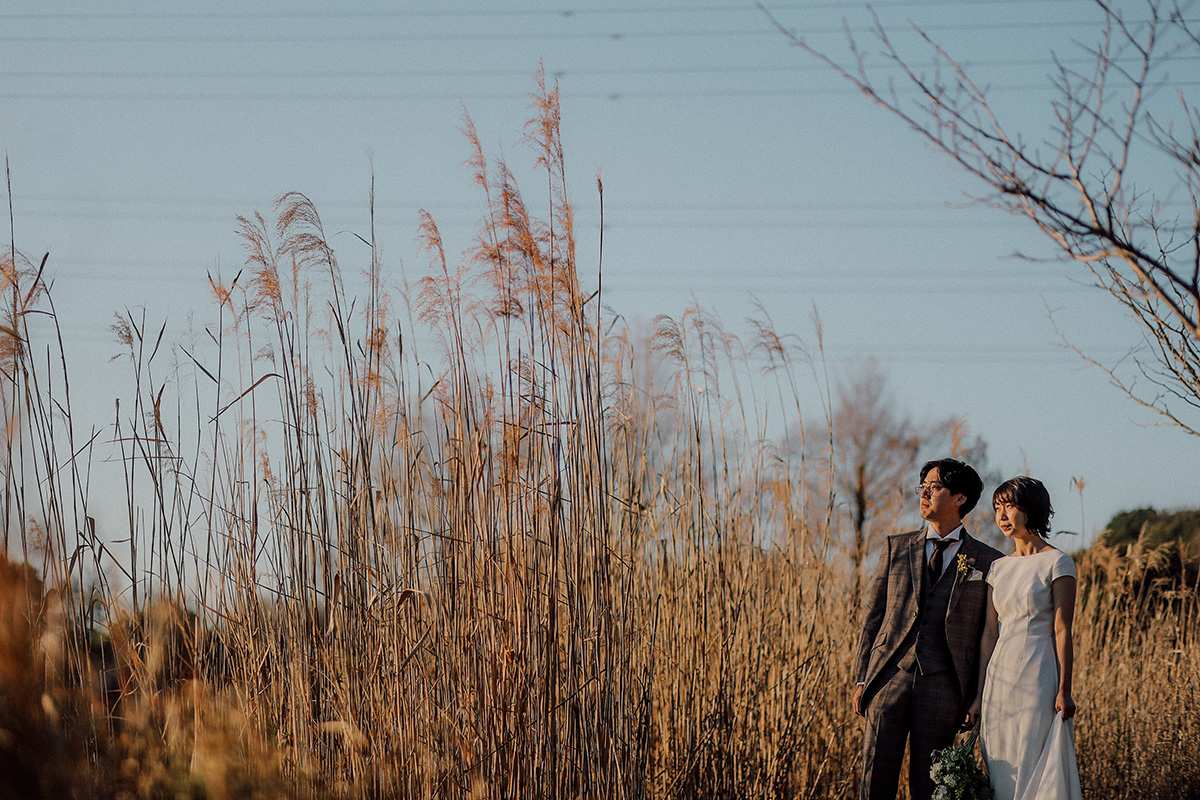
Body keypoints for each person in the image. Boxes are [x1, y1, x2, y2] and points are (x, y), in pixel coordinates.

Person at [854, 458, 1004, 800]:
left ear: (959, 498)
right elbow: (872, 617)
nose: (923, 493)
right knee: (874, 782)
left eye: (933, 488)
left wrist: (976, 695)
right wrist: (862, 678)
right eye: (921, 487)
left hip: (945, 687)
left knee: (931, 788)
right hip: (887, 680)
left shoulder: (988, 560)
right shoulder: (896, 547)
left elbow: (988, 633)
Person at [969, 476, 1081, 800]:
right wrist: (978, 696)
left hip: (1038, 671)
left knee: (1031, 757)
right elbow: (990, 634)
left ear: (1031, 509)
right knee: (1000, 763)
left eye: (1010, 506)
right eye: (997, 508)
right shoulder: (998, 568)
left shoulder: (1058, 561)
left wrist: (1064, 689)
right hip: (999, 677)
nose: (1001, 515)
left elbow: (1062, 629)